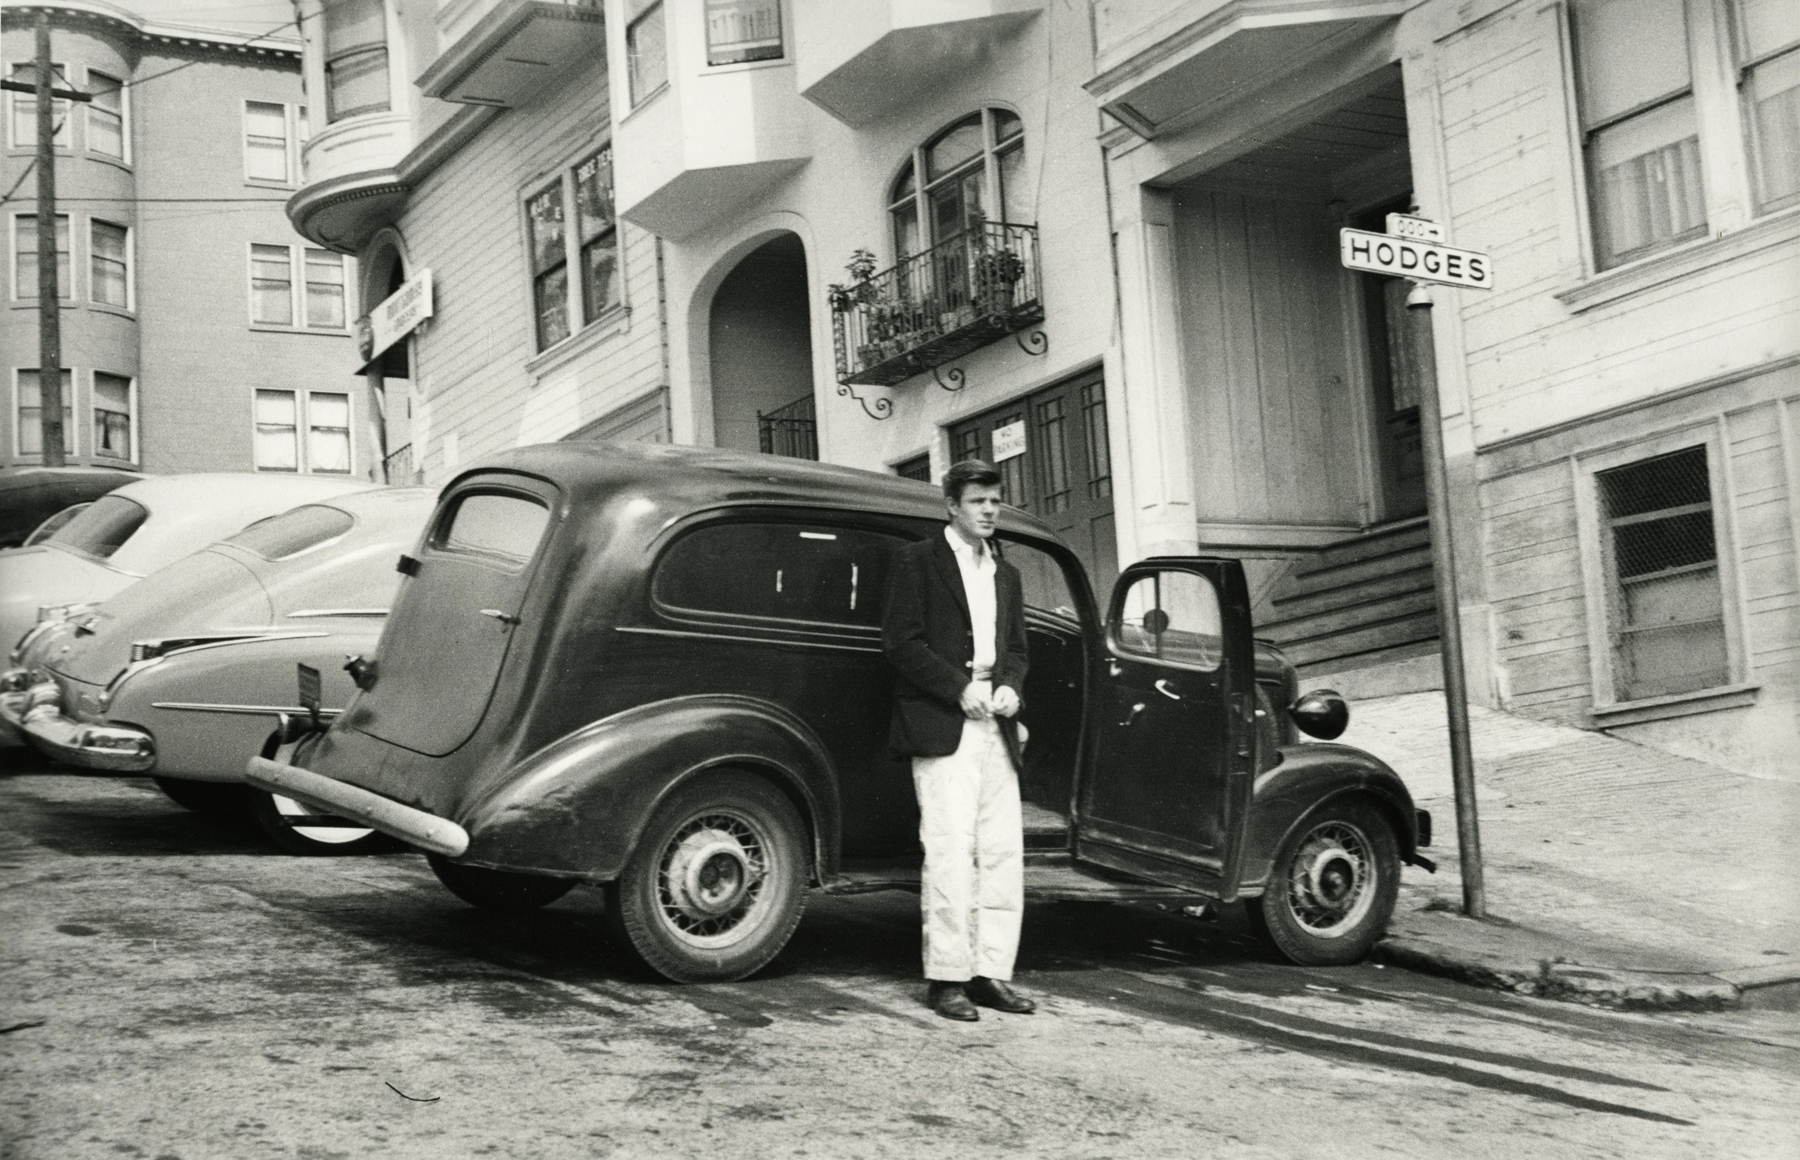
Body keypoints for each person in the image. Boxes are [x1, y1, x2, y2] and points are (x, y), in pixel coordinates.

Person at [882, 459, 1037, 1022]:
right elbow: (901, 643)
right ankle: (946, 978)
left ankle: (991, 973)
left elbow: (1017, 649)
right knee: (949, 851)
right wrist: (957, 689)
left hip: (996, 724)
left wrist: (1011, 689)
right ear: (952, 505)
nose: (989, 510)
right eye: (978, 501)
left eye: (994, 501)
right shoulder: (917, 561)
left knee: (1001, 853)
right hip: (944, 724)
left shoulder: (1007, 573)